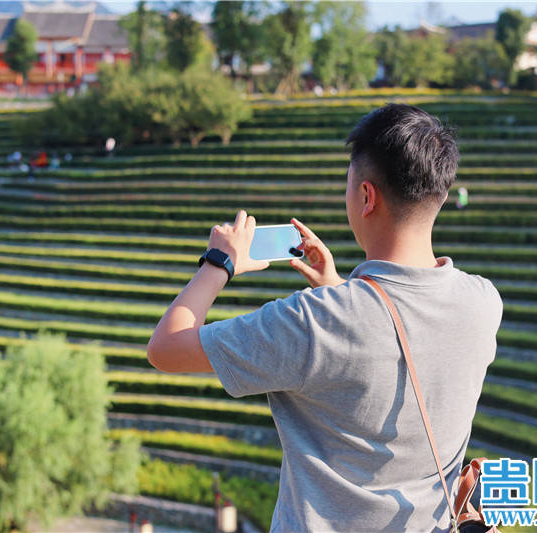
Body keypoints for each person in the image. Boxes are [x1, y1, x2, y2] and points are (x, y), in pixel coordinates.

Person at [147, 104, 503, 533]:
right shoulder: (483, 302)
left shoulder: (311, 322)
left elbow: (166, 348)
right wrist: (336, 286)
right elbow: (393, 336)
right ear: (441, 194)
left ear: (367, 197)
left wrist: (219, 261)